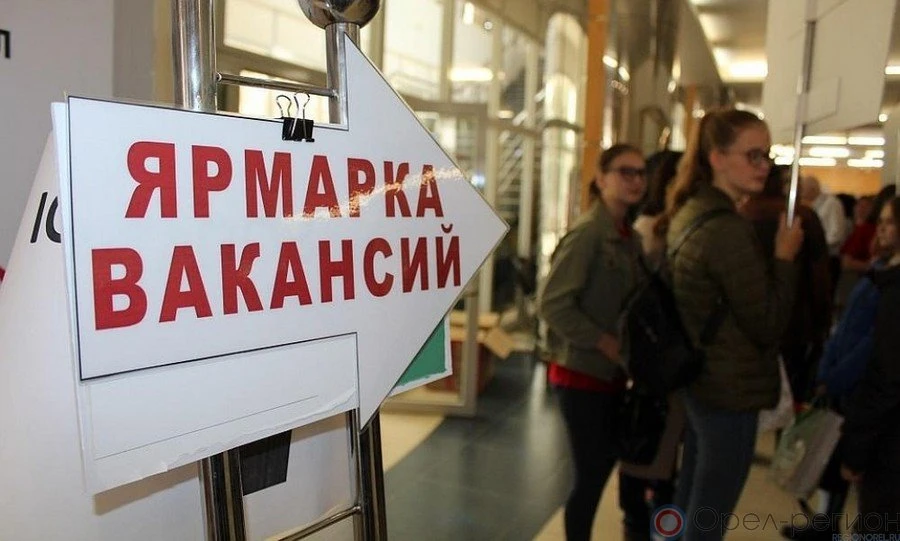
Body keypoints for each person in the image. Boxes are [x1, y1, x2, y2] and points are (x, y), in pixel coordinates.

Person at [665, 109, 803, 541]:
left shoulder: (693, 211)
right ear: (718, 158)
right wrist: (784, 259)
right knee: (709, 511)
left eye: (767, 156)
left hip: (702, 378)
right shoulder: (726, 230)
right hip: (729, 386)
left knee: (692, 495)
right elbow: (767, 322)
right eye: (753, 155)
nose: (764, 166)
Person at [538, 144, 647, 541]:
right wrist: (602, 341)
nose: (635, 180)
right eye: (625, 172)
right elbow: (551, 303)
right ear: (601, 179)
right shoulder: (589, 234)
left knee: (600, 468)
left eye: (641, 173)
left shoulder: (627, 236)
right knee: (591, 473)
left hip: (609, 374)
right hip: (580, 373)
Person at [620, 150, 684, 541]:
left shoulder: (658, 227)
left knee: (658, 467)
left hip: (666, 364)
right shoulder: (651, 230)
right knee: (648, 460)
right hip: (655, 364)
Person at [741, 164, 831, 402]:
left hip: (751, 322)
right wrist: (821, 324)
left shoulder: (742, 215)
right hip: (796, 320)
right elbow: (820, 278)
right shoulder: (803, 218)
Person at [840, 196, 900, 534]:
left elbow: (886, 377)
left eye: (890, 222)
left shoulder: (894, 292)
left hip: (889, 443)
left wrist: (857, 448)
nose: (882, 228)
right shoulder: (885, 282)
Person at [800, 176, 847, 298]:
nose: (800, 192)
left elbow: (836, 234)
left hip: (829, 258)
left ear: (812, 189)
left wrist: (817, 245)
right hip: (818, 256)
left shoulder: (832, 204)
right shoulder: (813, 205)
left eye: (802, 189)